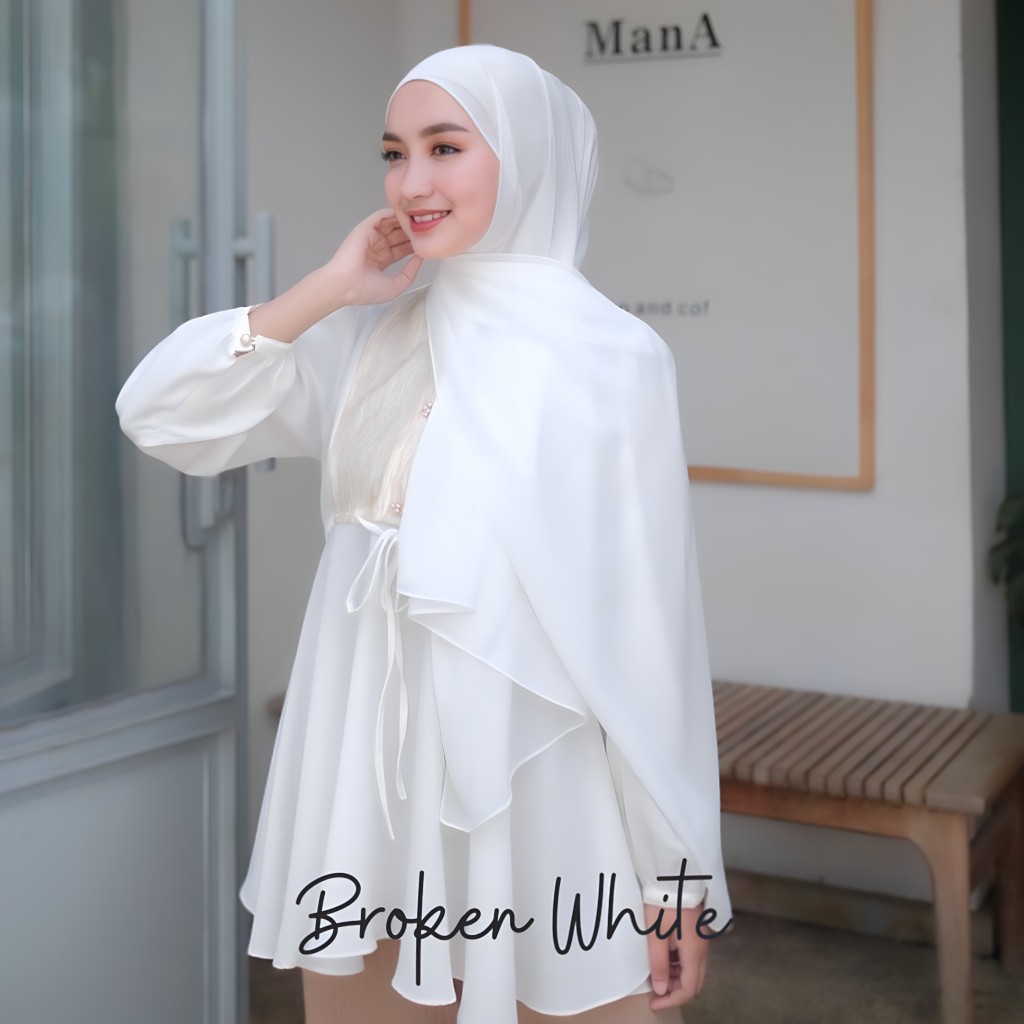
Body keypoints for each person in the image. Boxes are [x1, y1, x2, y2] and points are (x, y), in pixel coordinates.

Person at [116, 43, 732, 1024]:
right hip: (364, 773)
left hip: (535, 781)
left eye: (446, 147)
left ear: (525, 156)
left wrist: (678, 874)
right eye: (394, 153)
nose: (411, 183)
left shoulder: (615, 359)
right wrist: (326, 288)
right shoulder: (371, 335)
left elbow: (650, 634)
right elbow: (158, 412)